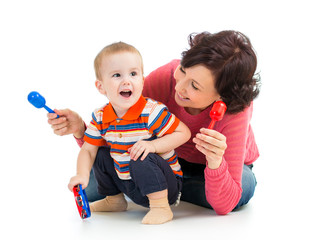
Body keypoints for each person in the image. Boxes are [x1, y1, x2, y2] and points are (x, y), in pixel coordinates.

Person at [48, 30, 260, 215]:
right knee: (93, 190)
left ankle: (158, 191)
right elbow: (118, 133)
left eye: (194, 86)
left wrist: (215, 163)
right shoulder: (167, 77)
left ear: (221, 96)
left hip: (211, 166)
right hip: (161, 158)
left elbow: (224, 206)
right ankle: (159, 189)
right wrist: (80, 130)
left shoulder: (235, 110)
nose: (179, 87)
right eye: (183, 70)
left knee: (243, 187)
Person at [67, 41, 191, 225]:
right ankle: (114, 200)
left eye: (133, 74)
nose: (126, 81)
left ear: (142, 80)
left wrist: (153, 145)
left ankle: (161, 208)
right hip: (130, 185)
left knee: (140, 153)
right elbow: (87, 150)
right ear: (101, 87)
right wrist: (82, 175)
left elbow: (184, 133)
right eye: (117, 75)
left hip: (165, 186)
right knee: (100, 153)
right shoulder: (101, 117)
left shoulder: (151, 111)